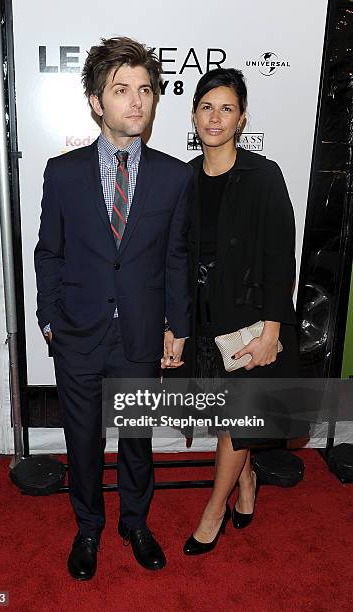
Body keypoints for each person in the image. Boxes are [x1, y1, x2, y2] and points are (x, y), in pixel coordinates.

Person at [34, 36, 192, 580]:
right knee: (82, 442)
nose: (137, 101)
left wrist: (179, 326)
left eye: (145, 89)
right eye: (122, 90)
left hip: (142, 335)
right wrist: (50, 319)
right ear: (97, 102)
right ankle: (87, 527)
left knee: (138, 441)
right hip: (77, 333)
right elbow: (48, 252)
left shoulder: (176, 176)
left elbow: (175, 259)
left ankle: (135, 522)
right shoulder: (63, 172)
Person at [181, 68, 299, 555]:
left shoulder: (263, 175)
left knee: (238, 421)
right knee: (224, 418)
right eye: (207, 107)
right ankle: (246, 483)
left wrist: (274, 329)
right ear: (193, 116)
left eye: (226, 108)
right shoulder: (182, 178)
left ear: (242, 118)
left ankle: (214, 511)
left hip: (250, 323)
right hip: (205, 322)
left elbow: (280, 255)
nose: (216, 117)